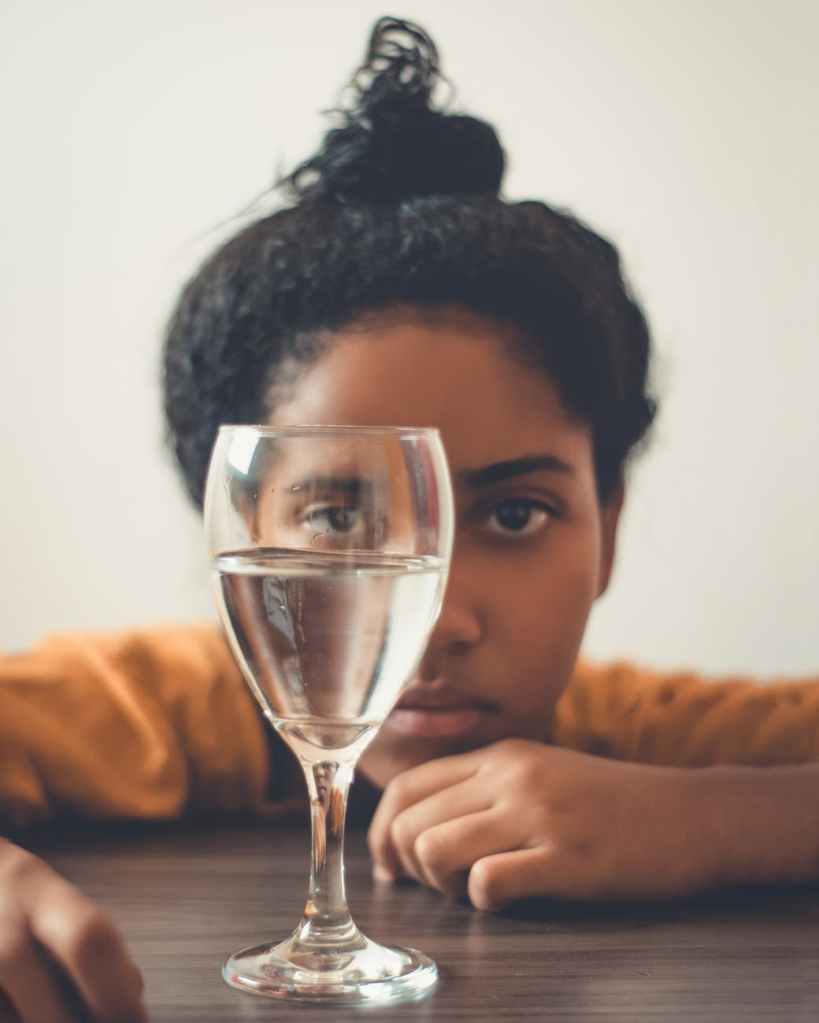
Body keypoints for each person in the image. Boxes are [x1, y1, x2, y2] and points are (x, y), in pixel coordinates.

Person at [1, 15, 817, 1023]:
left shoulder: (633, 734)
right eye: (340, 516)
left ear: (610, 520)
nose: (435, 617)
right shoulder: (163, 711)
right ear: (230, 519)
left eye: (515, 514)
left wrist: (713, 825)